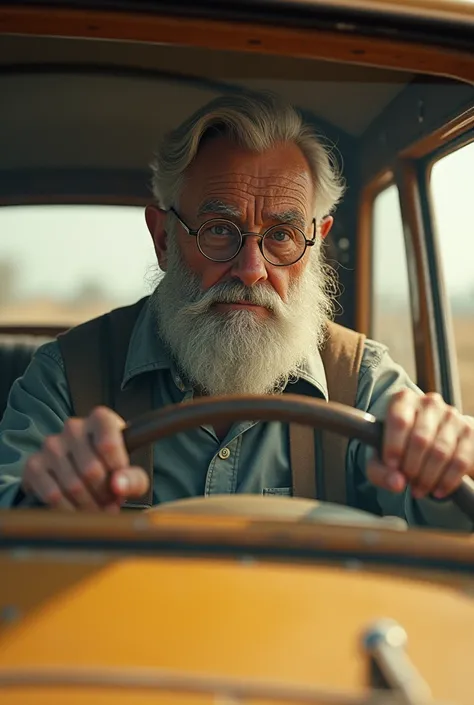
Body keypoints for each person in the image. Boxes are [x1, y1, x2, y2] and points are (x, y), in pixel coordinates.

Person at [0, 92, 472, 531]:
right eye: (220, 229)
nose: (251, 270)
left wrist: (445, 456)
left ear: (317, 243)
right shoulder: (68, 376)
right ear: (164, 238)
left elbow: (455, 519)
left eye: (282, 236)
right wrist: (42, 498)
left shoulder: (360, 382)